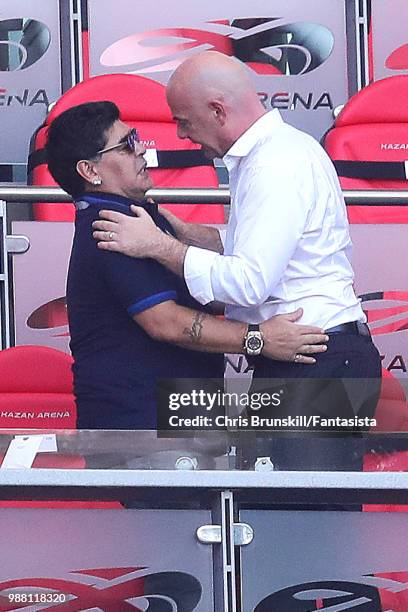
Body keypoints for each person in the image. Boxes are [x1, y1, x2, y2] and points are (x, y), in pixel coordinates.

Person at [92, 52, 382, 470]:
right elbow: (276, 247)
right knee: (280, 513)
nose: (181, 134)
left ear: (217, 110)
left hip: (317, 359)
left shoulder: (274, 164)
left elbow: (249, 282)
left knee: (306, 518)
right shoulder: (276, 154)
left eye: (184, 121)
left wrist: (159, 247)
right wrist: (198, 237)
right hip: (309, 357)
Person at [46, 100, 328, 431]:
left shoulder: (140, 216)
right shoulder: (110, 224)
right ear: (90, 171)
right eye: (126, 145)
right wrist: (259, 338)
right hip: (139, 431)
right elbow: (165, 321)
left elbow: (204, 292)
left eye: (135, 136)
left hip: (176, 422)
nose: (141, 150)